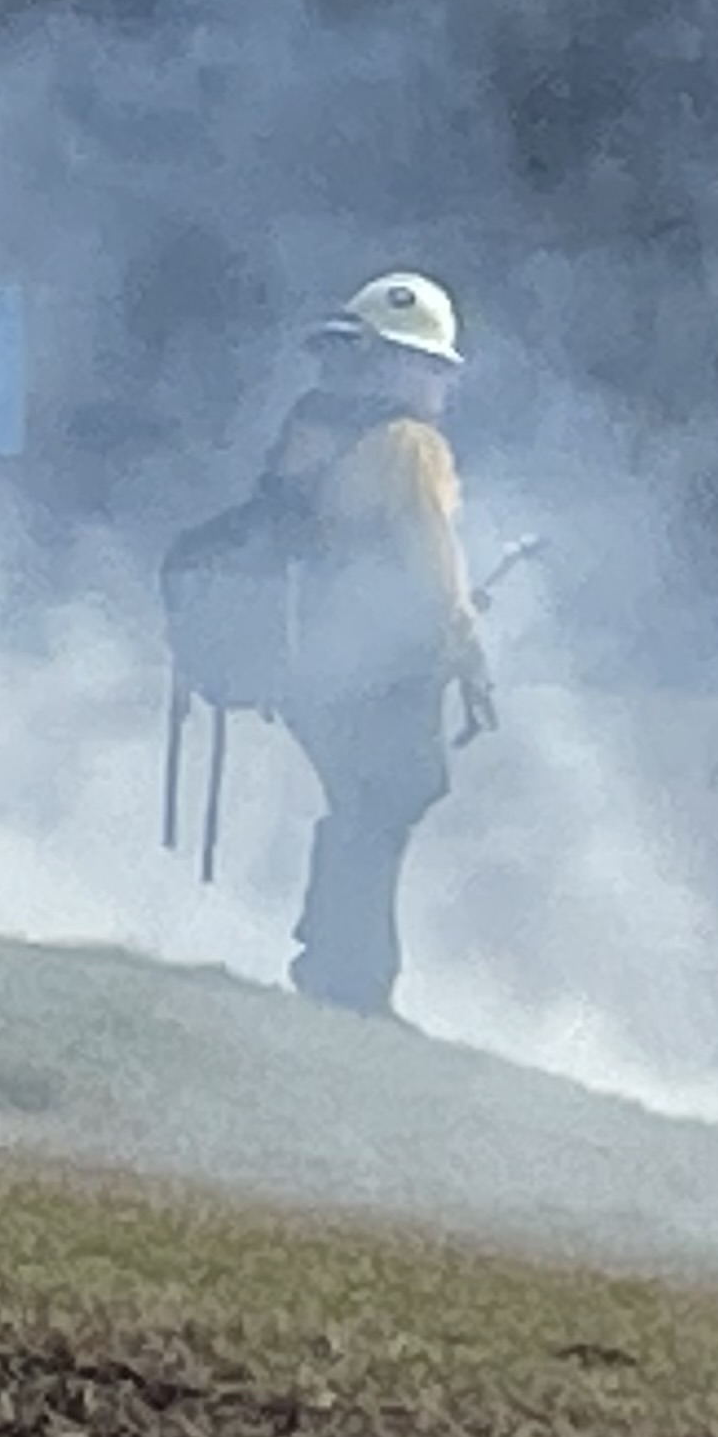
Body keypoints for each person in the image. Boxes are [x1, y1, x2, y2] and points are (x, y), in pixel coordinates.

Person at [262, 271, 496, 1018]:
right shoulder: (408, 446)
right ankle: (355, 986)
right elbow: (434, 564)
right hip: (380, 670)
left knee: (366, 806)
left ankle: (329, 960)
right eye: (429, 366)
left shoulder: (315, 433)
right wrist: (470, 655)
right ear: (391, 364)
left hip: (314, 664)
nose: (440, 384)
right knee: (389, 803)